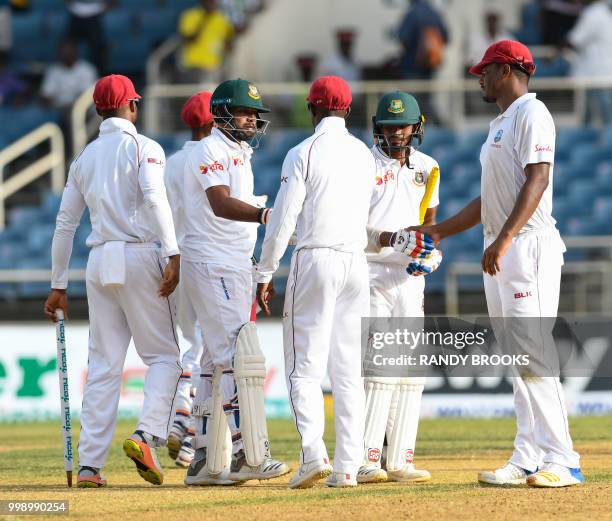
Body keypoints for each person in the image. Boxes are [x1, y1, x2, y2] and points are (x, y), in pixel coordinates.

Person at [412, 40, 584, 488]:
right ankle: (527, 455)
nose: (479, 77)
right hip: (505, 245)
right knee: (518, 357)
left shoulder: (532, 112)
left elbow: (539, 178)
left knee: (532, 352)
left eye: (485, 70)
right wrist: (442, 230)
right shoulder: (500, 124)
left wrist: (506, 238)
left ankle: (563, 459)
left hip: (527, 246)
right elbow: (492, 197)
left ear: (506, 70)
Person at [254, 76, 434, 489]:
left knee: (303, 367)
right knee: (348, 369)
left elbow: (282, 221)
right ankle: (348, 467)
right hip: (355, 262)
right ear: (348, 111)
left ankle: (313, 454)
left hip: (315, 257)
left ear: (311, 108)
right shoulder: (362, 155)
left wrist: (264, 272)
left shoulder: (303, 152)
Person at [44, 74, 182, 488]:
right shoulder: (144, 147)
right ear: (132, 107)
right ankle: (146, 434)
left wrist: (58, 284)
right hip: (140, 253)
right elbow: (155, 199)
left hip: (98, 259)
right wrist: (173, 252)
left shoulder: (83, 157)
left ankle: (89, 466)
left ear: (98, 110)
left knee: (103, 366)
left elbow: (66, 223)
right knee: (165, 357)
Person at [181, 79, 288, 486]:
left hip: (231, 263)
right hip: (213, 263)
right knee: (236, 357)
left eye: (253, 114)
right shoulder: (210, 149)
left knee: (212, 361)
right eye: (243, 112)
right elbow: (220, 203)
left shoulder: (237, 150)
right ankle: (248, 454)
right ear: (222, 112)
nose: (251, 120)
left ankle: (205, 461)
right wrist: (265, 217)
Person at [357, 91, 441, 485]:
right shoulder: (362, 164)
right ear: (378, 128)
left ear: (417, 127)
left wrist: (430, 253)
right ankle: (365, 458)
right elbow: (350, 227)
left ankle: (400, 459)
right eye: (389, 127)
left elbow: (429, 225)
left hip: (410, 278)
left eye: (403, 126)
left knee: (410, 371)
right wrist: (389, 238)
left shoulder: (429, 167)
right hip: (372, 274)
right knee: (378, 369)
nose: (396, 134)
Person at [164, 91, 215, 468]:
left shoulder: (169, 162)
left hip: (174, 263)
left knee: (186, 349)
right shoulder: (214, 160)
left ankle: (181, 418)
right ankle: (189, 430)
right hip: (209, 262)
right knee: (211, 354)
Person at [397, 0, 449, 124]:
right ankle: (430, 129)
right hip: (430, 66)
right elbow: (446, 37)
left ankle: (415, 134)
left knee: (411, 106)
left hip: (412, 67)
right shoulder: (435, 13)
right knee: (427, 103)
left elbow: (403, 38)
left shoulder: (411, 14)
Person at [565, 0, 612, 125]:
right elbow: (574, 41)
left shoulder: (594, 12)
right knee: (598, 121)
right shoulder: (598, 12)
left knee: (599, 122)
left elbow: (573, 41)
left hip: (600, 77)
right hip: (599, 77)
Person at [178, 0, 235, 84]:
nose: (212, 3)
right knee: (195, 95)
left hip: (215, 67)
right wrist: (204, 19)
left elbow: (229, 40)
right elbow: (187, 39)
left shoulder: (222, 18)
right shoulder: (190, 15)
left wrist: (227, 48)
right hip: (193, 66)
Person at [41, 39, 97, 110]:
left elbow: (86, 97)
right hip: (57, 109)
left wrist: (71, 106)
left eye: (68, 50)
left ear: (75, 51)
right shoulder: (53, 70)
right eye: (63, 50)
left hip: (82, 110)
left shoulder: (87, 69)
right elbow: (46, 94)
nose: (65, 53)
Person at [65, 0, 115, 75]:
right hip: (75, 11)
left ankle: (101, 76)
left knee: (99, 49)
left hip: (96, 12)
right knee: (68, 47)